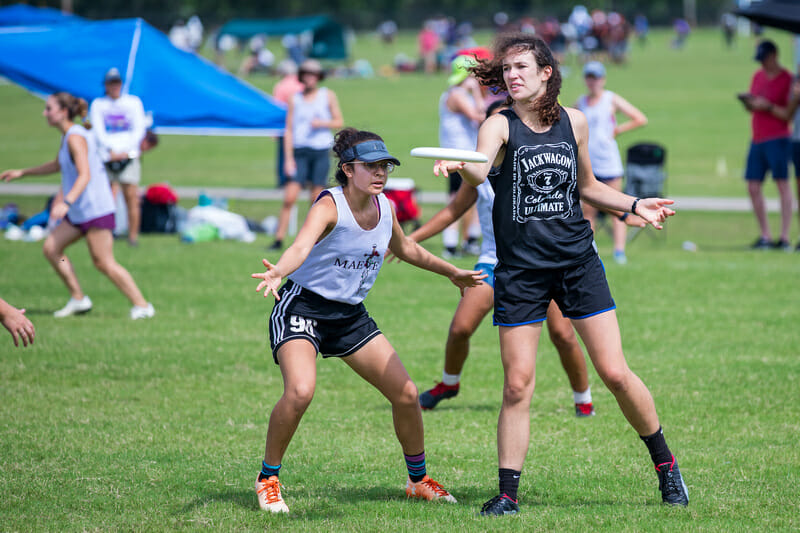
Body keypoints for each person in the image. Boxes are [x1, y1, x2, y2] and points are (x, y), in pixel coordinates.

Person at [433, 33, 687, 515]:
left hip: (577, 264)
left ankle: (666, 466)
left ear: (546, 72)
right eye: (506, 69)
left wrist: (634, 203)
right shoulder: (498, 125)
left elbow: (589, 186)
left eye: (521, 67)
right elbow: (481, 171)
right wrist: (461, 167)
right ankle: (507, 494)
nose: (512, 76)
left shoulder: (576, 121)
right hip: (521, 273)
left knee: (613, 372)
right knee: (516, 385)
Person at [250, 128, 486, 513]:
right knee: (300, 391)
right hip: (302, 308)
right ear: (347, 169)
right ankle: (268, 478)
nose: (380, 173)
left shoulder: (385, 206)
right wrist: (278, 271)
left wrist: (451, 272)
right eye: (371, 167)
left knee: (407, 394)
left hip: (349, 316)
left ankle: (418, 479)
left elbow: (406, 248)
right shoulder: (329, 205)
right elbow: (300, 246)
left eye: (385, 167)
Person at [407, 100, 644, 415]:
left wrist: (628, 211)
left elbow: (578, 189)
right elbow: (452, 211)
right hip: (495, 261)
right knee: (461, 327)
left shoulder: (536, 161)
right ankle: (449, 383)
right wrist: (408, 240)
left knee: (562, 333)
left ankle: (583, 398)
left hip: (545, 261)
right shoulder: (477, 171)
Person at [1, 92, 154, 320]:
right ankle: (79, 298)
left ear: (63, 112)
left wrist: (65, 202)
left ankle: (142, 305)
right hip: (80, 211)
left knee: (103, 262)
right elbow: (58, 164)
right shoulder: (69, 136)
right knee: (53, 250)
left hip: (95, 209)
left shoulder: (75, 137)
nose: (45, 113)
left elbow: (85, 174)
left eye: (49, 109)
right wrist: (23, 172)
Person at [576, 60, 647, 264]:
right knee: (588, 210)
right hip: (588, 161)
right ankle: (588, 249)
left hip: (608, 161)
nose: (593, 82)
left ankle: (619, 251)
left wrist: (617, 130)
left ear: (603, 79)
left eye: (596, 77)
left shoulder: (610, 99)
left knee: (617, 206)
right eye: (589, 77)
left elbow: (639, 118)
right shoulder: (581, 102)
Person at [270, 59, 343, 250]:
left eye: (313, 74)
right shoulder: (295, 98)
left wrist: (322, 123)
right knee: (289, 197)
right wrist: (287, 159)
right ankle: (278, 238)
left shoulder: (327, 95)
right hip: (299, 151)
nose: (310, 78)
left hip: (319, 150)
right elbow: (288, 129)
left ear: (318, 77)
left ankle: (313, 240)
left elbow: (339, 121)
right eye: (306, 74)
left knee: (316, 199)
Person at [739, 40, 794, 251]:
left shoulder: (787, 79)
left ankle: (785, 237)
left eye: (764, 59)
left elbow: (787, 114)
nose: (762, 64)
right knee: (753, 186)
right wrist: (749, 102)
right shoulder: (758, 76)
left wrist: (768, 106)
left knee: (782, 185)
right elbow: (751, 108)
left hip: (778, 137)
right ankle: (765, 236)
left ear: (774, 55)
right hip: (758, 138)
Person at [89, 67, 147, 247]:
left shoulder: (133, 102)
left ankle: (132, 237)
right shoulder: (98, 104)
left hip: (128, 155)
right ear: (105, 85)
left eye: (117, 82)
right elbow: (98, 130)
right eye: (111, 83)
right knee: (106, 198)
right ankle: (107, 233)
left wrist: (124, 150)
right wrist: (111, 150)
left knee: (131, 195)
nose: (114, 86)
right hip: (107, 155)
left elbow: (139, 129)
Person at [439, 55, 485, 258]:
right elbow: (479, 117)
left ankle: (468, 241)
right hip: (459, 154)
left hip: (461, 153)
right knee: (459, 201)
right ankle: (454, 244)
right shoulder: (458, 94)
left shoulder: (454, 93)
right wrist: (476, 91)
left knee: (470, 199)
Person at [271, 60, 304, 188]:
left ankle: (283, 180)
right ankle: (300, 179)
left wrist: (274, 131)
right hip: (301, 125)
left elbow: (277, 109)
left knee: (283, 154)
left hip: (284, 126)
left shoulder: (281, 86)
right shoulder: (301, 84)